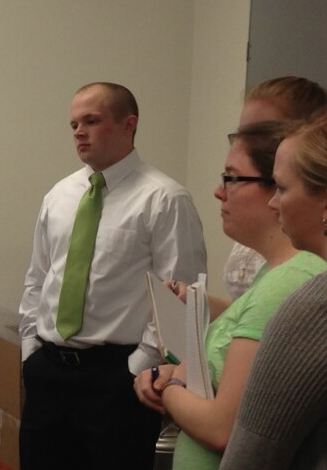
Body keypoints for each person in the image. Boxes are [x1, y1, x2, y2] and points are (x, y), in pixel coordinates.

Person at [18, 82, 207, 469]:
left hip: (116, 379)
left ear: (129, 125)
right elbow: (38, 276)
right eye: (73, 124)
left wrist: (136, 368)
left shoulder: (164, 199)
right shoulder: (60, 195)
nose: (79, 133)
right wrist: (30, 349)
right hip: (48, 373)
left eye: (91, 120)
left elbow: (179, 296)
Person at [132, 121, 324, 469]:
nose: (219, 192)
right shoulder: (277, 274)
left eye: (232, 178)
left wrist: (172, 383)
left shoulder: (294, 279)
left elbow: (232, 435)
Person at [221, 117, 327, 469]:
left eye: (281, 188)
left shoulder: (313, 307)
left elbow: (252, 458)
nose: (272, 203)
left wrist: (172, 389)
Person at [223, 77, 327, 301]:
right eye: (243, 133)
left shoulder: (303, 254)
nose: (251, 143)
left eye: (264, 133)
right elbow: (253, 314)